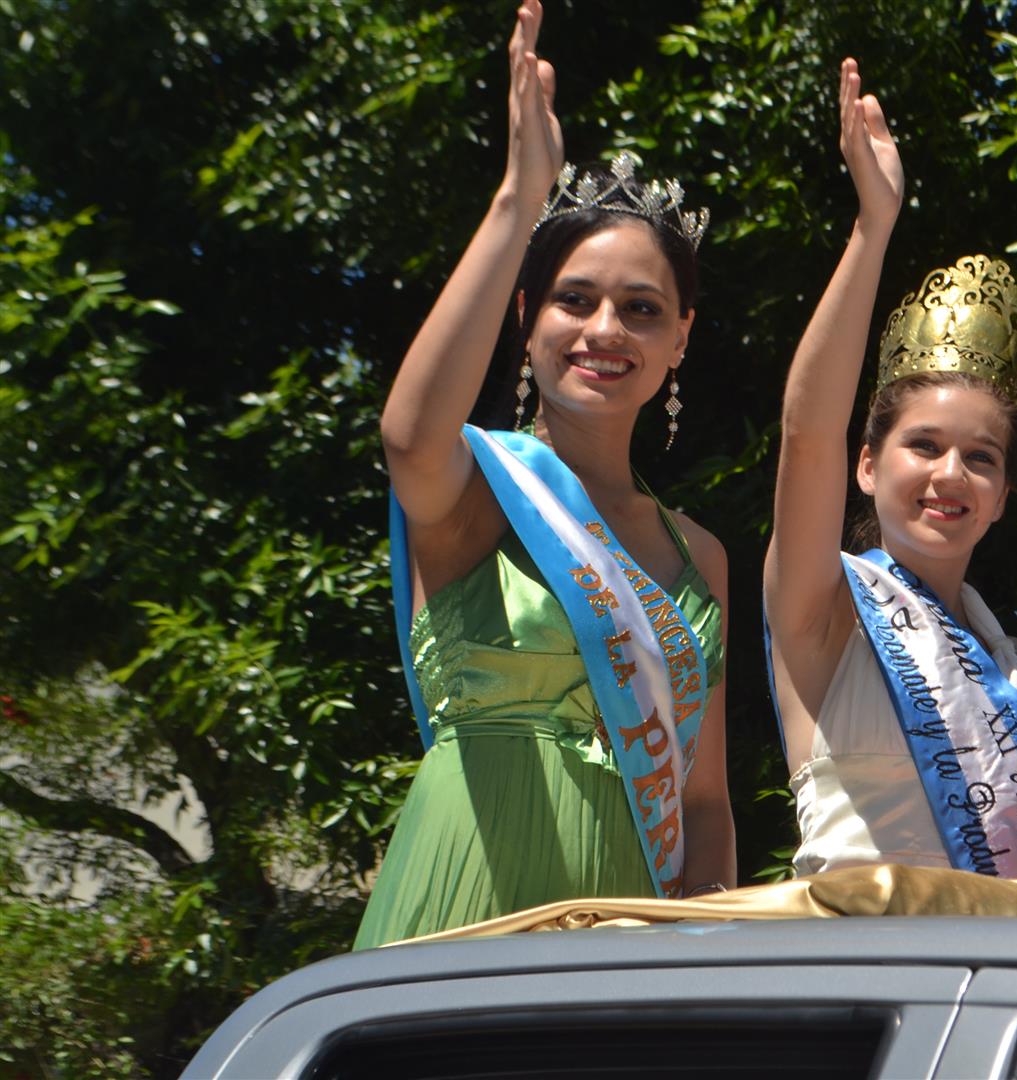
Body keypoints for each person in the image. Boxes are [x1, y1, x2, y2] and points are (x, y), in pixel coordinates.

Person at [355, 1, 734, 949]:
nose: (605, 330)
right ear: (527, 318)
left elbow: (707, 801)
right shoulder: (480, 489)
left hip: (625, 933)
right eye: (575, 299)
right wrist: (517, 200)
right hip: (467, 899)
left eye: (642, 309)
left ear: (680, 338)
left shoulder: (702, 557)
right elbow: (407, 438)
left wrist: (713, 974)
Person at [764, 60, 1017, 891]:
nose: (951, 473)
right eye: (923, 446)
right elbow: (807, 432)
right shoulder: (826, 608)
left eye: (980, 457)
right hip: (857, 982)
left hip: (997, 996)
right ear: (867, 465)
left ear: (1001, 500)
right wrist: (873, 228)